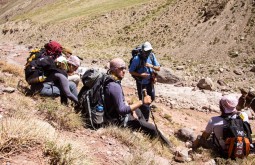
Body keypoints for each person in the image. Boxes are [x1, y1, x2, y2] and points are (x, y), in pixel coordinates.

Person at [104, 58, 172, 148]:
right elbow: (121, 110)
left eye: (125, 68)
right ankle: (167, 147)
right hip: (118, 121)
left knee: (138, 111)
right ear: (114, 69)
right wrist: (142, 102)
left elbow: (120, 101)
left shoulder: (111, 80)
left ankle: (143, 127)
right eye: (121, 68)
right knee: (152, 128)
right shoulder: (114, 86)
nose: (124, 71)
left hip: (113, 114)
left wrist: (132, 109)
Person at [129, 41, 160, 121]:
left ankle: (141, 111)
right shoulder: (137, 59)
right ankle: (145, 120)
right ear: (142, 50)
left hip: (150, 82)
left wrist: (151, 66)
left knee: (151, 98)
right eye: (146, 51)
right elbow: (131, 71)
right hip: (141, 83)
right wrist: (140, 75)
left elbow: (158, 68)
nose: (148, 52)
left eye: (149, 51)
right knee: (145, 102)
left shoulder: (151, 56)